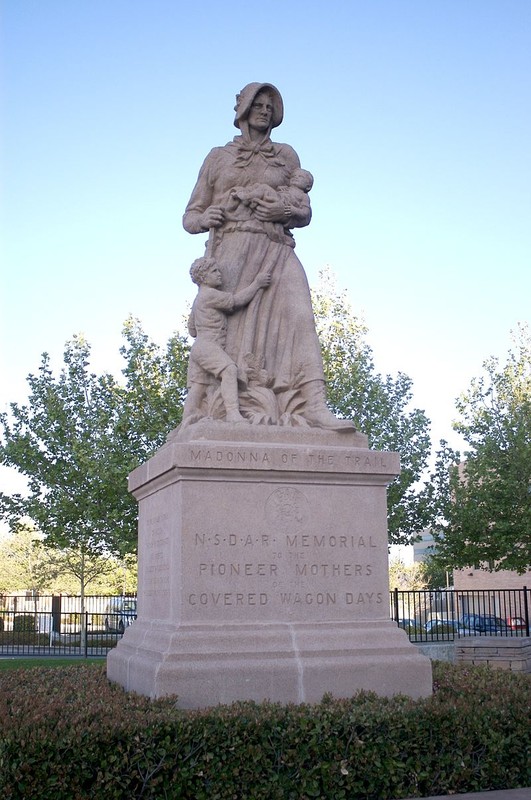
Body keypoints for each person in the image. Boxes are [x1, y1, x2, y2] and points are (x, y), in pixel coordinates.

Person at [183, 82, 352, 430]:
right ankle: (217, 409)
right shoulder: (218, 158)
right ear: (243, 109)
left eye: (269, 106)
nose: (264, 111)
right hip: (231, 254)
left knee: (301, 316)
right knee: (226, 336)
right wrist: (204, 218)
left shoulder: (286, 155)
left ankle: (315, 406)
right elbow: (190, 216)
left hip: (276, 247)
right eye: (257, 104)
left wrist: (282, 210)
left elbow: (304, 214)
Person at [182, 256, 271, 425]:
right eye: (214, 271)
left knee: (199, 386)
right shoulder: (210, 295)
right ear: (203, 277)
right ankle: (232, 414)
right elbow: (236, 301)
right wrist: (257, 284)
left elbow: (192, 329)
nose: (219, 274)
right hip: (209, 345)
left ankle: (187, 421)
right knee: (229, 370)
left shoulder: (198, 299)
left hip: (199, 347)